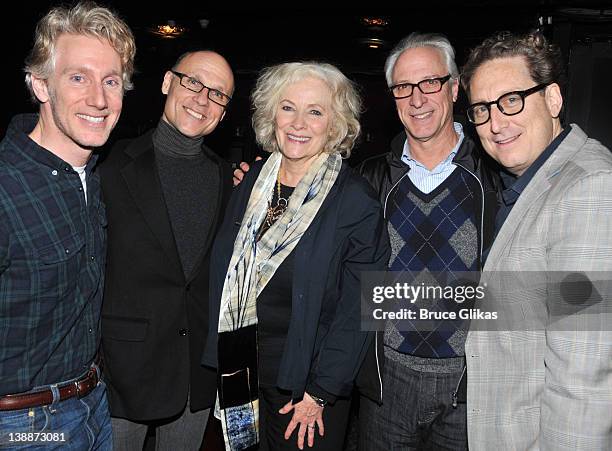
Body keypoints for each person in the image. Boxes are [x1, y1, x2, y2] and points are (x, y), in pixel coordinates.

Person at [202, 61, 390, 451]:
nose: (299, 122)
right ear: (272, 114)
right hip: (242, 369)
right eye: (288, 107)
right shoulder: (253, 182)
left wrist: (322, 391)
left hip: (306, 385)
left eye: (315, 111)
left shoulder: (355, 201)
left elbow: (360, 308)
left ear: (335, 125)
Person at [461, 30, 612, 450]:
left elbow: (583, 381)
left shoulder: (588, 188)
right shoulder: (541, 180)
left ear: (552, 100)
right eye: (481, 109)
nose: (495, 122)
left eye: (512, 100)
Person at [353, 33, 498, 450]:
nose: (417, 99)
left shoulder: (495, 176)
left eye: (429, 83)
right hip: (387, 380)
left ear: (454, 88)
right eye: (403, 87)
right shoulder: (369, 179)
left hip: (470, 383)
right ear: (393, 98)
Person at [0, 1, 135, 449]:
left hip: (94, 405)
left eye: (111, 81)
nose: (98, 99)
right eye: (78, 77)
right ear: (40, 84)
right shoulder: (6, 185)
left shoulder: (94, 176)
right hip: (21, 426)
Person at [99, 50, 234, 450]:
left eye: (218, 94)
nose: (202, 98)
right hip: (121, 374)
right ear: (166, 83)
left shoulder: (230, 179)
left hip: (196, 372)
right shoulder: (108, 164)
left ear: (224, 112)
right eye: (193, 82)